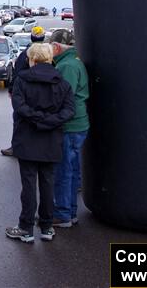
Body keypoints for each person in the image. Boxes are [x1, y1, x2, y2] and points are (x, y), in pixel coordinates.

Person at [5, 43, 74, 244]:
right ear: (50, 58)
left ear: (32, 59)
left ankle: (26, 227)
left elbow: (19, 106)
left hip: (27, 137)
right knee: (48, 183)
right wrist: (49, 121)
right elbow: (69, 110)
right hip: (51, 139)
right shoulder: (62, 83)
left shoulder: (22, 81)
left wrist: (37, 119)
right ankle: (46, 226)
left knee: (28, 185)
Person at [49, 28, 90, 229]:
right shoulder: (75, 61)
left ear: (57, 47)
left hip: (69, 126)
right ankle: (70, 212)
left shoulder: (66, 66)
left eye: (51, 46)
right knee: (73, 171)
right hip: (79, 124)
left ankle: (62, 214)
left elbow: (61, 97)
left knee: (63, 171)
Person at [1, 26, 46, 157]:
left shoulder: (26, 54)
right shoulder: (48, 54)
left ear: (31, 37)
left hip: (25, 94)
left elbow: (17, 74)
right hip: (43, 94)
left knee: (19, 120)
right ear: (43, 38)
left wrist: (11, 89)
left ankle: (16, 147)